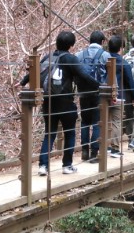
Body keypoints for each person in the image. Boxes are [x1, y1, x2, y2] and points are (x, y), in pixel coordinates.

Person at [19, 30, 99, 175]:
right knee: (69, 133)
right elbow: (84, 75)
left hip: (48, 101)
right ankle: (67, 165)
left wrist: (23, 82)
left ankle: (43, 166)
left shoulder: (48, 57)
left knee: (49, 133)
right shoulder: (71, 59)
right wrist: (99, 86)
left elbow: (34, 72)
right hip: (66, 102)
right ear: (71, 45)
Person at [75, 31, 110, 162]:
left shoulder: (79, 55)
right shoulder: (106, 56)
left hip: (83, 93)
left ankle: (84, 150)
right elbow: (110, 76)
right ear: (102, 42)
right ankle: (94, 153)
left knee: (85, 122)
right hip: (98, 93)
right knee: (97, 122)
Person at [106, 35, 134, 159]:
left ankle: (105, 147)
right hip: (118, 95)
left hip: (103, 94)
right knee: (116, 122)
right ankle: (114, 148)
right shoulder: (123, 63)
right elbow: (130, 81)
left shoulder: (104, 59)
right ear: (121, 48)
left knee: (105, 120)